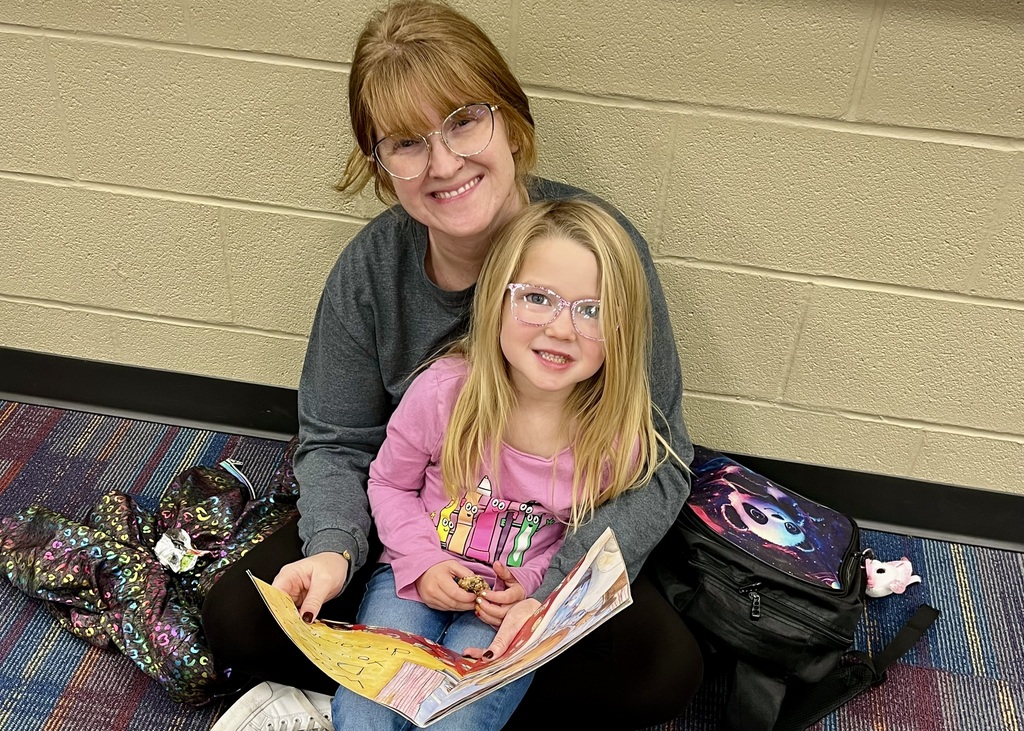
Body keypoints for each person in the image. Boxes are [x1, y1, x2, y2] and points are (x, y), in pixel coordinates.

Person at [203, 2, 704, 729]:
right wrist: (336, 549)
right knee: (237, 618)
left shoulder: (597, 251)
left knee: (662, 672)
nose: (442, 164)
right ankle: (388, 696)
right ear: (379, 166)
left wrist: (553, 594)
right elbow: (337, 442)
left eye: (464, 122)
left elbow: (659, 456)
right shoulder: (372, 271)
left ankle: (456, 701)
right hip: (412, 521)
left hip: (545, 544)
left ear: (512, 123)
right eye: (407, 142)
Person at [330, 198, 684, 730]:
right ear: (497, 299)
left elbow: (577, 542)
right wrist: (422, 561)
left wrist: (533, 589)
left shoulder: (614, 441)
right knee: (363, 711)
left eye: (592, 310)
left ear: (622, 330)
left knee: (460, 719)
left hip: (510, 602)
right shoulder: (443, 393)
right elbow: (388, 484)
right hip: (414, 572)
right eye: (537, 298)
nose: (562, 329)